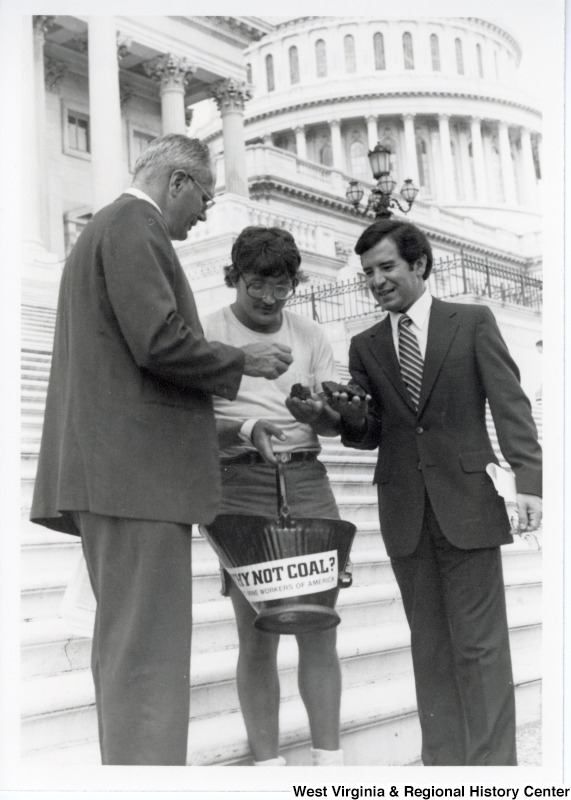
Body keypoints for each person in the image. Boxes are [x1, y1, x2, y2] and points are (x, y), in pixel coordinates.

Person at [30, 135, 294, 766]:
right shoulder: (134, 226)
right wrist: (244, 359)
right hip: (134, 481)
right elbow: (159, 343)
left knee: (131, 654)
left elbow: (127, 371)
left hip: (122, 476)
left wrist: (232, 427)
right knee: (148, 659)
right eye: (203, 198)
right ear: (177, 182)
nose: (203, 214)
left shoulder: (109, 230)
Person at [329, 218, 542, 766]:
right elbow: (370, 433)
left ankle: (495, 773)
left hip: (469, 503)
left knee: (480, 647)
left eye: (386, 267)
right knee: (430, 649)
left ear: (419, 264)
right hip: (405, 510)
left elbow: (510, 402)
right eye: (367, 273)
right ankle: (443, 771)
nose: (375, 281)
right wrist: (348, 418)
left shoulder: (471, 322)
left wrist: (530, 482)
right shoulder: (364, 345)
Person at [201, 226, 345, 767]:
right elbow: (186, 419)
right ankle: (268, 769)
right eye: (256, 284)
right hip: (238, 480)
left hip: (306, 479)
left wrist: (324, 415)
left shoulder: (311, 334)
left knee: (318, 625)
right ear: (232, 277)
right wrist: (245, 430)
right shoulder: (206, 331)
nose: (267, 298)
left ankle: (328, 768)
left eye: (280, 286)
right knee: (256, 630)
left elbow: (334, 422)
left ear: (295, 283)